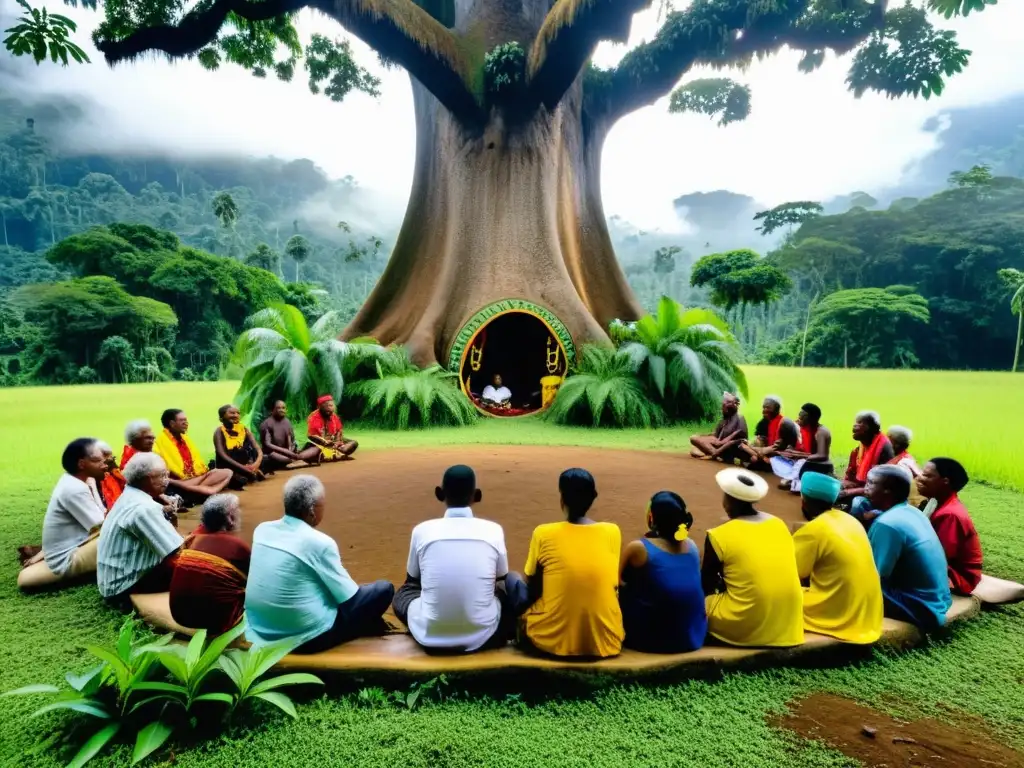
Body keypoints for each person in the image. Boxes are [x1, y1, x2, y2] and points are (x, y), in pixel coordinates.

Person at [244, 475, 394, 653]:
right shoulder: (319, 542)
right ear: (312, 511)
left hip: (258, 630)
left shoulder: (262, 530)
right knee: (383, 590)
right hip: (304, 637)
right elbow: (350, 600)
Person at [393, 465, 519, 652]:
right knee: (506, 587)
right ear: (477, 495)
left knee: (405, 592)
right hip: (484, 636)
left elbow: (413, 580)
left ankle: (435, 622)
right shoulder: (493, 530)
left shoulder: (422, 530)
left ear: (439, 493)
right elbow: (500, 578)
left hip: (429, 636)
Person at [518, 469, 624, 658]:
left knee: (513, 582)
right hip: (607, 642)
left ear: (562, 499)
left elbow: (531, 582)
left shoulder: (543, 533)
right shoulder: (612, 532)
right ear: (593, 497)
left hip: (549, 641)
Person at [702, 468, 804, 647]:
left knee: (696, 603)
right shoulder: (778, 524)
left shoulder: (718, 535)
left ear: (728, 501)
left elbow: (706, 585)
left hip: (745, 623)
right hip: (788, 625)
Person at [793, 472, 883, 643]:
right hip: (868, 616)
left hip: (839, 615)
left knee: (773, 598)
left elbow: (790, 575)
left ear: (804, 501)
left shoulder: (814, 530)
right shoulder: (850, 520)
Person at [619, 491, 707, 653]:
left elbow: (617, 582)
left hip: (650, 641)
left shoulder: (638, 548)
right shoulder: (692, 546)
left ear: (651, 517)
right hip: (692, 638)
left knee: (622, 587)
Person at [865, 465, 951, 630]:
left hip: (919, 607)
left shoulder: (887, 524)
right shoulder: (913, 512)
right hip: (938, 601)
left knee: (844, 582)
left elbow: (874, 576)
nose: (865, 487)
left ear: (888, 491)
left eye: (871, 483)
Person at [17, 438, 107, 591]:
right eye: (98, 461)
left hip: (72, 548)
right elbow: (103, 526)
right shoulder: (75, 489)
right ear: (81, 464)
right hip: (67, 560)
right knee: (125, 534)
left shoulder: (72, 481)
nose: (104, 465)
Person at [97, 453, 185, 603]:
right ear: (149, 478)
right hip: (123, 588)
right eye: (163, 475)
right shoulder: (145, 508)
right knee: (196, 566)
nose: (166, 480)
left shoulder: (130, 496)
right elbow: (176, 553)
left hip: (113, 582)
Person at [169, 494, 251, 634]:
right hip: (215, 620)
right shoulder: (236, 546)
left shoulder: (193, 540)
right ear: (230, 519)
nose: (241, 513)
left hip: (179, 616)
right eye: (238, 510)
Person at [916, 458, 981, 595]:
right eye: (922, 473)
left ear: (945, 481)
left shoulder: (950, 515)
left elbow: (938, 558)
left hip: (958, 578)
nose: (919, 478)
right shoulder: (936, 502)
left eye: (927, 476)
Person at [153, 410, 233, 504]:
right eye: (182, 420)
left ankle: (196, 492)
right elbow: (164, 471)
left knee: (227, 472)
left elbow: (197, 463)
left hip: (193, 480)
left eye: (186, 420)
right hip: (176, 482)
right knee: (224, 475)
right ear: (172, 423)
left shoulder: (184, 438)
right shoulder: (160, 441)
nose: (186, 423)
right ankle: (205, 491)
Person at [840, 411, 894, 521]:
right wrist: (845, 484)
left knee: (857, 503)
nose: (854, 426)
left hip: (879, 499)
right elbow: (851, 474)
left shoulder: (883, 448)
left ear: (870, 428)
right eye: (855, 422)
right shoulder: (859, 449)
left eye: (859, 423)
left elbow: (879, 487)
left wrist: (849, 491)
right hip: (866, 488)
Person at [769, 403, 833, 493]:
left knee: (788, 482)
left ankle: (798, 482)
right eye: (800, 414)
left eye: (803, 416)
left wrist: (801, 456)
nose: (800, 417)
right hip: (803, 460)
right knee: (776, 459)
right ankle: (796, 480)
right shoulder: (802, 428)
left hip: (818, 465)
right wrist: (790, 451)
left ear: (811, 418)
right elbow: (793, 444)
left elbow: (822, 455)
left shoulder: (821, 432)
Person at [739, 396, 799, 471]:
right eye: (763, 407)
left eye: (768, 408)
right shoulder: (767, 422)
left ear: (777, 408)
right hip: (771, 454)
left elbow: (774, 449)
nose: (764, 410)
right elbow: (763, 444)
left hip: (783, 459)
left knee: (747, 452)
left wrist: (748, 447)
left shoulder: (784, 423)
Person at [212, 404, 266, 487]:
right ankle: (243, 475)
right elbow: (223, 456)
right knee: (240, 481)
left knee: (268, 460)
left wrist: (256, 464)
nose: (236, 415)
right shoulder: (219, 432)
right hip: (229, 465)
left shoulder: (244, 429)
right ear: (221, 418)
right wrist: (244, 468)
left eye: (238, 413)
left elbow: (258, 449)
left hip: (246, 464)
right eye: (232, 413)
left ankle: (252, 472)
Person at [259, 400, 322, 470]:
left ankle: (297, 458)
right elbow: (267, 444)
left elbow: (291, 440)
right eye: (278, 408)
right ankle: (296, 459)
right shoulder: (266, 424)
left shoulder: (287, 422)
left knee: (317, 448)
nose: (281, 410)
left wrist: (291, 450)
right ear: (272, 410)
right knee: (284, 458)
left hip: (290, 454)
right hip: (272, 453)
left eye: (283, 408)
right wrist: (287, 452)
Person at [689, 392, 748, 463]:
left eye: (726, 405)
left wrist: (721, 442)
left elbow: (739, 435)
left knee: (695, 441)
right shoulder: (724, 421)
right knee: (694, 444)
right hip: (719, 445)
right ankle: (715, 454)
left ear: (734, 405)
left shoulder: (740, 418)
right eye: (723, 406)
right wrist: (702, 436)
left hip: (731, 448)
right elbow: (715, 435)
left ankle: (715, 454)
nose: (723, 408)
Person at [306, 395, 358, 461]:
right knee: (315, 449)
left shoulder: (333, 416)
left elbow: (339, 431)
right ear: (319, 407)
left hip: (333, 442)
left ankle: (335, 454)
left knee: (353, 443)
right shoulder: (314, 417)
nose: (329, 408)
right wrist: (325, 442)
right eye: (326, 406)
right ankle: (336, 455)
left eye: (331, 406)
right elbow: (312, 436)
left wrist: (337, 443)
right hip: (320, 442)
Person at [886, 426, 924, 508]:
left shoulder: (902, 465)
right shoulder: (903, 457)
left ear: (895, 444)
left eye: (887, 439)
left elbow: (895, 494)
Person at [97, 441, 127, 512]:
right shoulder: (94, 475)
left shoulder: (112, 468)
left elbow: (122, 477)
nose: (109, 458)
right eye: (106, 455)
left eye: (110, 456)